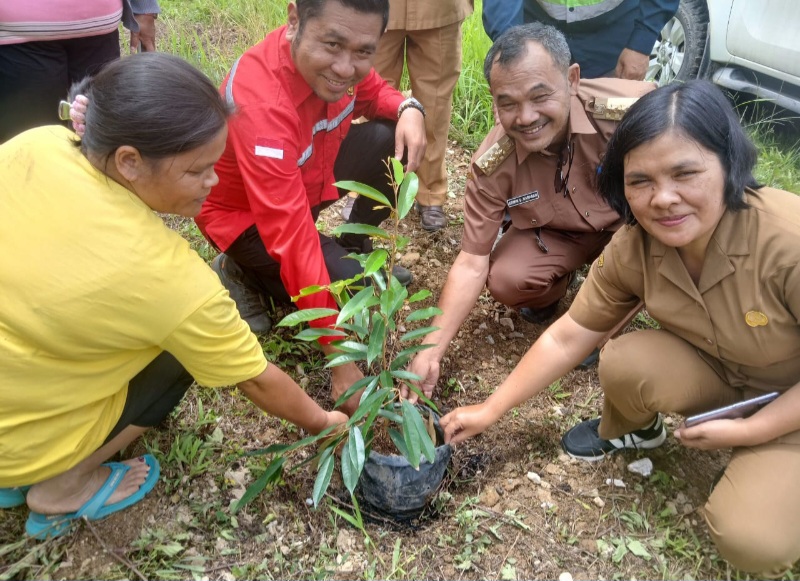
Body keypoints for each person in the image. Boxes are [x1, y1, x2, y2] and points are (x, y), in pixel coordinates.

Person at [439, 79, 800, 576]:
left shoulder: (788, 240)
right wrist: (491, 408)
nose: (663, 199)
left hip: (790, 398)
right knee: (626, 359)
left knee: (751, 540)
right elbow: (570, 334)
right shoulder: (636, 244)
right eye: (641, 181)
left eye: (685, 173)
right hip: (724, 374)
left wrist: (755, 428)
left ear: (728, 164)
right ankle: (636, 433)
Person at [0, 53, 347, 540]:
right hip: (18, 439)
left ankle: (15, 471)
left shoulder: (38, 142)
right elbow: (257, 379)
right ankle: (62, 485)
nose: (213, 182)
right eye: (198, 170)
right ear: (130, 161)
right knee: (180, 352)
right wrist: (325, 422)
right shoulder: (167, 278)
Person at [195, 0, 427, 414]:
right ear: (294, 20)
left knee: (392, 140)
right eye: (332, 45)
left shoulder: (344, 64)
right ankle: (240, 270)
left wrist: (410, 108)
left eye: (363, 51)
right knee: (353, 293)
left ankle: (351, 249)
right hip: (247, 218)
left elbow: (374, 91)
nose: (344, 68)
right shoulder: (260, 102)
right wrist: (338, 356)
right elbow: (290, 236)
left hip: (304, 182)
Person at [406, 23, 654, 399]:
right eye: (508, 103)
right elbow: (472, 262)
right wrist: (431, 350)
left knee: (603, 323)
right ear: (494, 102)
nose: (525, 117)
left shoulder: (630, 116)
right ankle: (557, 290)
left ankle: (621, 301)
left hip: (631, 229)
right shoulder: (492, 163)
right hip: (561, 236)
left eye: (540, 96)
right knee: (507, 277)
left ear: (572, 79)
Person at [369, 0, 473, 231]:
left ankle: (430, 193)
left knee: (435, 101)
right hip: (375, 6)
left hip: (440, 7)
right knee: (371, 95)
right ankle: (374, 189)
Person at [0, 0, 159, 143]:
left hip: (99, 33)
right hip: (19, 37)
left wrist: (144, 8)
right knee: (30, 143)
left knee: (104, 140)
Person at [481, 0, 678, 80]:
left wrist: (641, 42)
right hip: (537, 31)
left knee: (610, 138)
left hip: (615, 37)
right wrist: (510, 51)